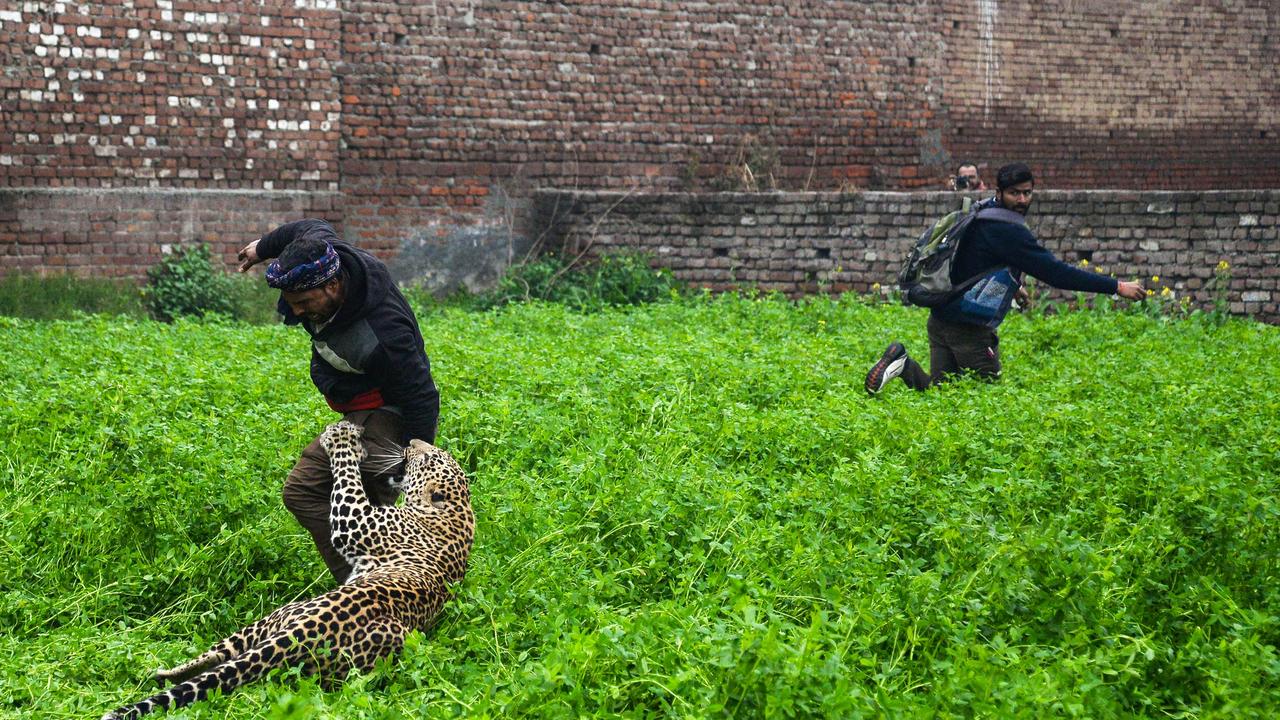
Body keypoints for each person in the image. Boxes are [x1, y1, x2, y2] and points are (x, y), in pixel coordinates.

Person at [236, 219, 440, 583]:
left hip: (387, 412)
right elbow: (308, 226)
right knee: (304, 493)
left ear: (333, 285)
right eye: (290, 302)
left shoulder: (384, 333)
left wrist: (415, 465)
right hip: (357, 403)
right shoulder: (320, 251)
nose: (296, 312)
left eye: (303, 303)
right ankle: (369, 582)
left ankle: (377, 592)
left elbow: (421, 394)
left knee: (364, 510)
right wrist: (262, 249)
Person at [866, 162, 1145, 394]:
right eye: (1015, 193)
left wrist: (1014, 287)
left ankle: (903, 364)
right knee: (988, 401)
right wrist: (1116, 286)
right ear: (999, 192)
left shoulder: (981, 212)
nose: (1022, 200)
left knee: (944, 396)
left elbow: (975, 261)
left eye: (1027, 193)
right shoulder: (1008, 230)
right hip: (969, 328)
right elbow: (1056, 273)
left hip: (941, 316)